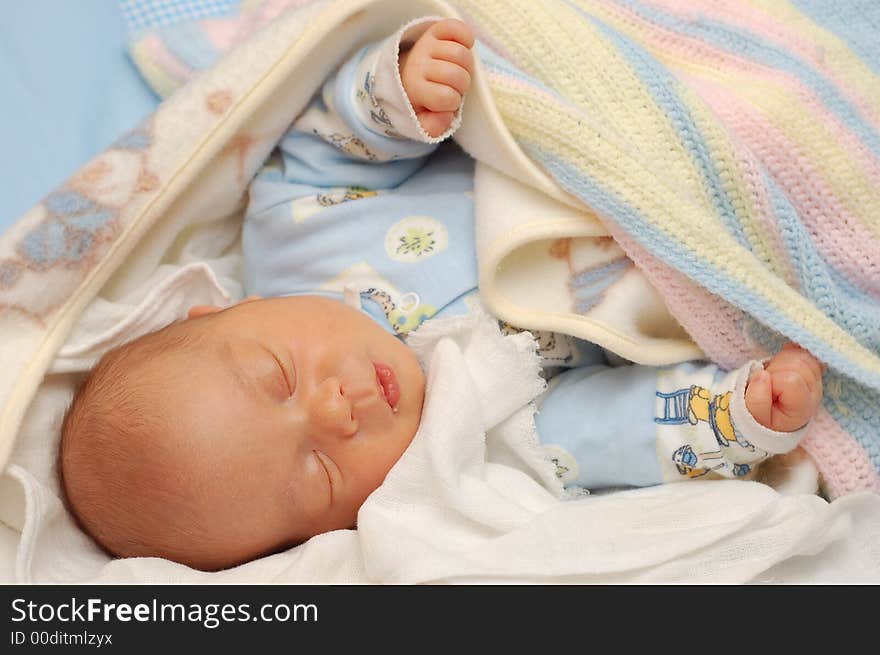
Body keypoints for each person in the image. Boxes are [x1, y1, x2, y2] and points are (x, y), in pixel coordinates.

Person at [59, 18, 825, 571]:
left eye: (280, 377)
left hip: (586, 147)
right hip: (690, 257)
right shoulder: (461, 442)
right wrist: (735, 415)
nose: (335, 410)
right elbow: (596, 431)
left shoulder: (293, 238)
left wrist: (395, 98)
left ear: (224, 310)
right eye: (320, 470)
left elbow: (324, 146)